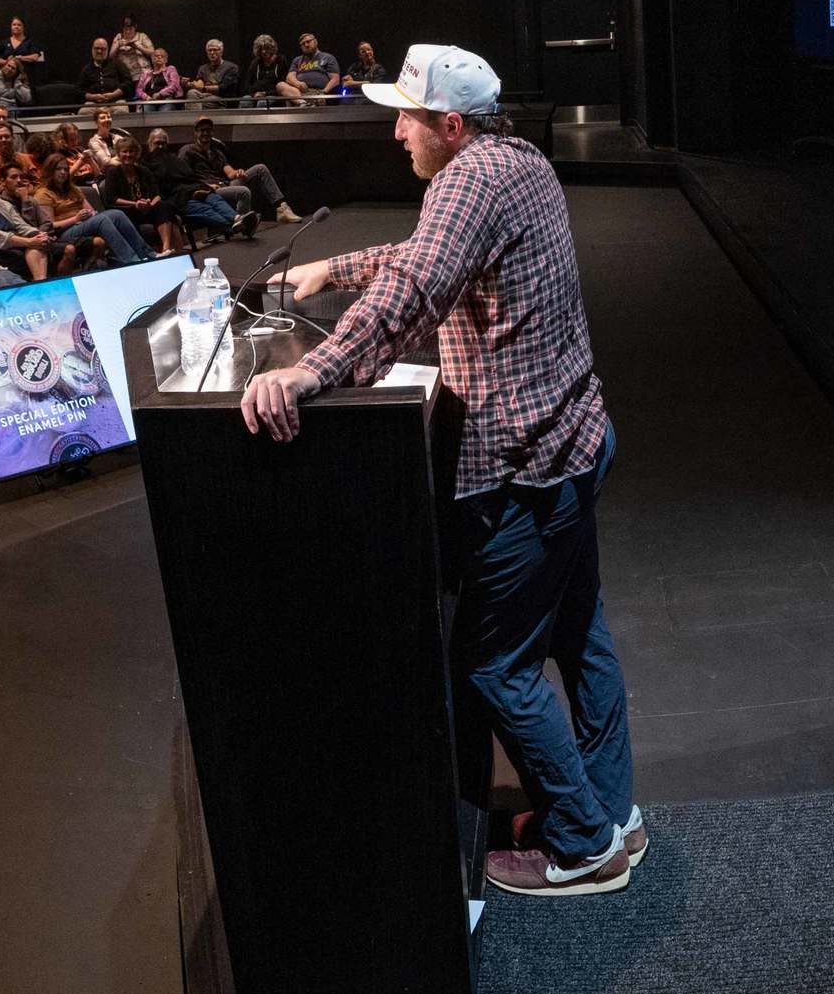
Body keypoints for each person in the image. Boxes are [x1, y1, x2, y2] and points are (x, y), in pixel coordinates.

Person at [243, 45, 635, 897]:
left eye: (409, 117)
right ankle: (613, 813)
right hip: (576, 441)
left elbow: (420, 277)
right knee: (578, 633)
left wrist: (316, 370)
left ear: (450, 126)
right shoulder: (515, 159)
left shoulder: (464, 181)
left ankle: (582, 844)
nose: (396, 131)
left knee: (496, 664)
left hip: (527, 469)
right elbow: (434, 252)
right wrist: (334, 267)